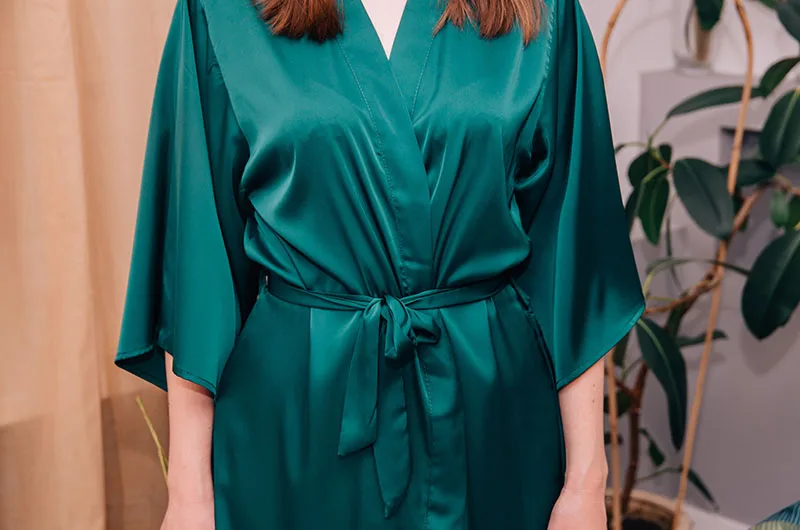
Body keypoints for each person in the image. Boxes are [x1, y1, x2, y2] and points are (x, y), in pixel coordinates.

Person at [114, 0, 646, 527]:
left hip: (491, 414)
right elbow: (198, 265)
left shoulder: (542, 11)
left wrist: (586, 482)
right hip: (296, 418)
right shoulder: (220, 12)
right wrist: (188, 494)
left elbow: (574, 258)